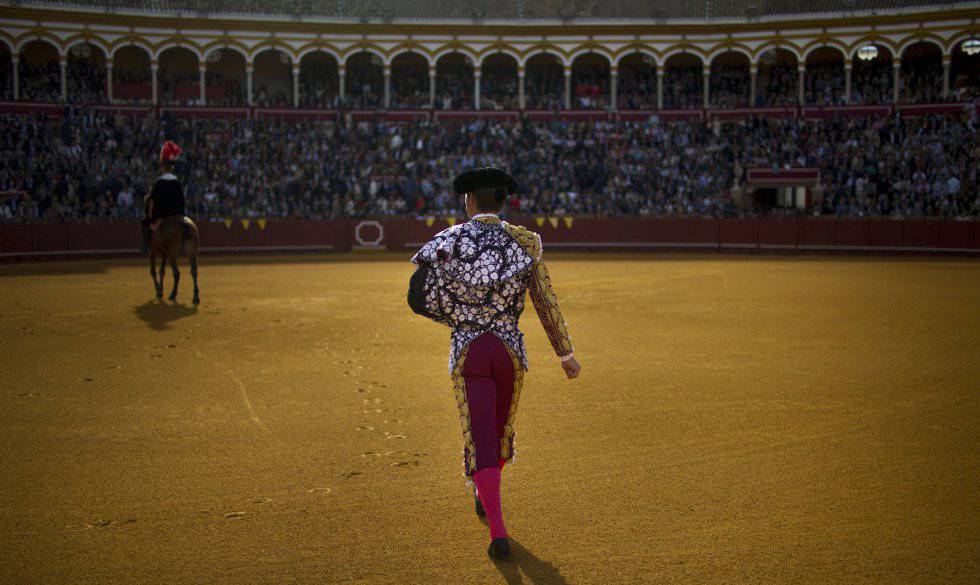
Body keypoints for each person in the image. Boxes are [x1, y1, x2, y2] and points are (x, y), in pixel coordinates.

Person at [408, 167, 582, 560]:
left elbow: (419, 296)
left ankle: (497, 532)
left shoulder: (447, 241)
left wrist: (456, 316)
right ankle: (485, 494)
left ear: (468, 200)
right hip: (509, 351)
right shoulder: (525, 242)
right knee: (501, 434)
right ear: (503, 202)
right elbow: (544, 300)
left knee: (481, 438)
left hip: (470, 349)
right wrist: (565, 353)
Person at [141, 141, 186, 252]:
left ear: (163, 168)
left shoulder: (159, 183)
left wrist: (151, 218)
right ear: (171, 168)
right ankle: (185, 239)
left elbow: (151, 201)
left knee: (144, 222)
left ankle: (146, 245)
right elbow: (182, 200)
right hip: (178, 214)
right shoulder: (177, 182)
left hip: (163, 215)